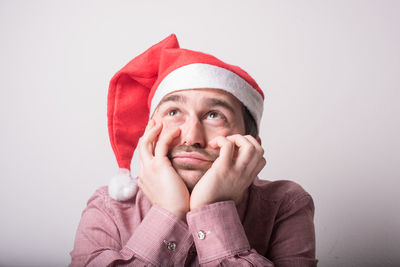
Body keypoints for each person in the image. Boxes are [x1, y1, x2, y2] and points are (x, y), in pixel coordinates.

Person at [70, 34, 317, 266]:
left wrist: (212, 209)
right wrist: (169, 213)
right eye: (174, 112)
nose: (191, 137)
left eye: (214, 115)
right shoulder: (109, 208)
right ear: (149, 134)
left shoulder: (285, 204)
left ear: (250, 144)